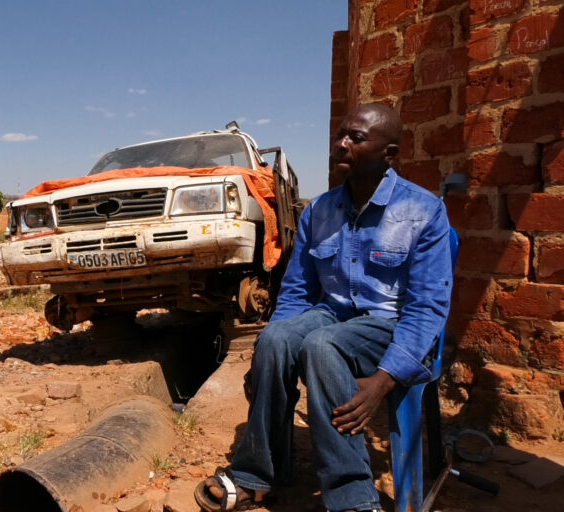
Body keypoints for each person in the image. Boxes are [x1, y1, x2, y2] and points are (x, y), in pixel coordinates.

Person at [194, 103, 453, 512]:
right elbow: (297, 291)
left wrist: (385, 380)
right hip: (331, 313)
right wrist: (265, 358)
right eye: (340, 135)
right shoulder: (321, 209)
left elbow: (427, 309)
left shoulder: (422, 211)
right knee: (277, 338)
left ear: (388, 153)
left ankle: (352, 497)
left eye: (356, 138)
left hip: (389, 325)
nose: (341, 144)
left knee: (322, 345)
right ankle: (257, 476)